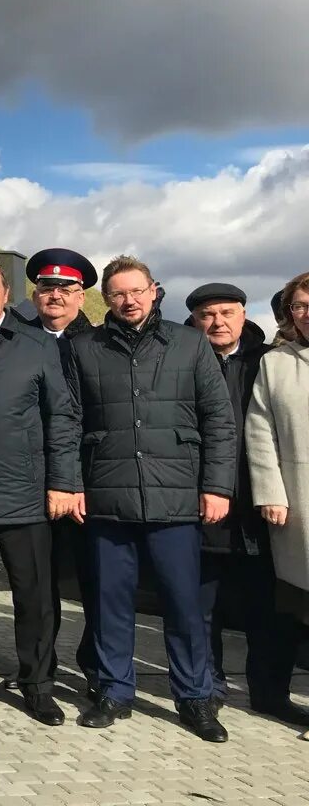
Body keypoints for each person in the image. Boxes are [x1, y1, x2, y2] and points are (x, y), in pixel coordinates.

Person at [70, 255, 235, 742]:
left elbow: (218, 421)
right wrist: (72, 483)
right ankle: (114, 690)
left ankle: (195, 698)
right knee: (108, 602)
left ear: (154, 290)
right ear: (106, 298)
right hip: (107, 496)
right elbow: (68, 422)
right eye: (118, 293)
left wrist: (217, 486)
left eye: (136, 290)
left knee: (184, 604)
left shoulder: (189, 344)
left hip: (177, 497)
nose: (128, 300)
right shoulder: (83, 349)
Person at [0, 261, 80, 724]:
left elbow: (62, 418)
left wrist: (62, 482)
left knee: (35, 597)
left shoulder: (38, 346)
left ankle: (37, 683)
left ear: (6, 293)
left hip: (25, 494)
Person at [186, 282, 305, 725]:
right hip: (201, 503)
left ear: (244, 314)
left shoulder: (268, 362)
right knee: (202, 607)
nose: (218, 322)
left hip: (263, 505)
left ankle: (269, 692)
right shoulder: (182, 360)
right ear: (195, 320)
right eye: (207, 315)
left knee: (270, 610)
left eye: (227, 313)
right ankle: (207, 688)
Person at [18, 246, 99, 698]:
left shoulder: (99, 342)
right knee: (39, 585)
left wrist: (77, 482)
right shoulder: (17, 338)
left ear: (81, 296)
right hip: (31, 482)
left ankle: (95, 670)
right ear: (35, 294)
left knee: (96, 584)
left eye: (66, 289)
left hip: (89, 482)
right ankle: (38, 672)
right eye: (47, 288)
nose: (56, 296)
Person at [246, 271, 309, 739]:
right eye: (299, 306)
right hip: (300, 503)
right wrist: (269, 491)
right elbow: (260, 429)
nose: (305, 314)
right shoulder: (277, 363)